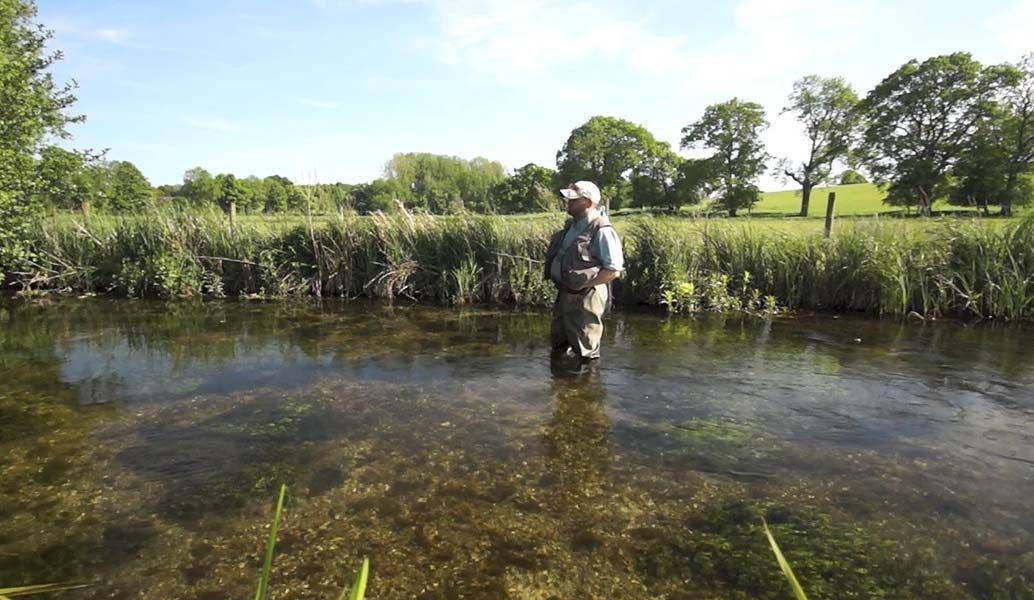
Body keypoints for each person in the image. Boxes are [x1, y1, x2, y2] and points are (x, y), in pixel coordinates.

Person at [544, 181, 624, 360]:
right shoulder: (572, 225)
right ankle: (562, 384)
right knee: (559, 343)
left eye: (573, 200)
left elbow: (613, 271)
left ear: (587, 203)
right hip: (566, 292)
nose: (568, 203)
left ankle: (588, 385)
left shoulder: (602, 230)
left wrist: (582, 288)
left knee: (586, 349)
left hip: (587, 295)